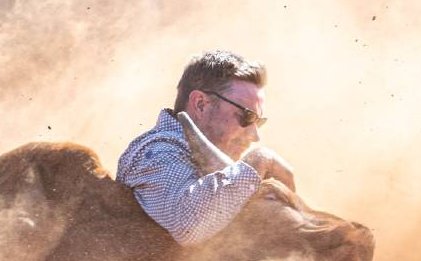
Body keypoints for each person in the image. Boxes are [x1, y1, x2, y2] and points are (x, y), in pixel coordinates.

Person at [116, 50, 295, 245]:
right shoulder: (156, 152)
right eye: (246, 117)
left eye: (258, 122)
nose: (255, 136)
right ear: (201, 104)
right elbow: (188, 226)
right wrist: (259, 160)